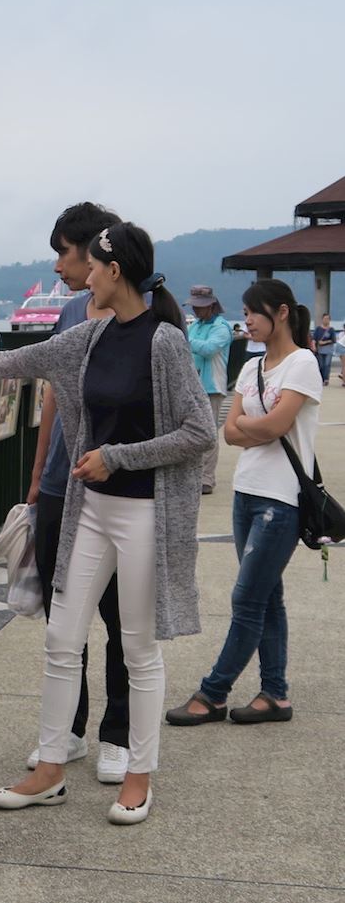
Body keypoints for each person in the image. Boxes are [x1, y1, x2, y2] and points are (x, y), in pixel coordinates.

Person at [0, 222, 214, 826]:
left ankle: (139, 776)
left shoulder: (165, 343)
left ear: (114, 271)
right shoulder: (91, 336)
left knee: (139, 649)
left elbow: (198, 431)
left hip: (144, 514)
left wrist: (116, 457)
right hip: (90, 511)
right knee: (61, 639)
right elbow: (14, 360)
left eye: (92, 267)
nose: (83, 276)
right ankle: (49, 769)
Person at [167, 280, 320, 727]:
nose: (247, 320)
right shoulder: (252, 366)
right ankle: (276, 695)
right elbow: (229, 431)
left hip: (281, 501)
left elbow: (272, 426)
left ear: (282, 313)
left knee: (247, 600)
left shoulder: (303, 363)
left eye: (255, 312)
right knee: (267, 597)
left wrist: (256, 427)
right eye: (246, 312)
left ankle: (213, 693)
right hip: (247, 492)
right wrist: (259, 427)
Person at [23, 202, 131, 785]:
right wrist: (40, 473)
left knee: (119, 615)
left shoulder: (144, 314)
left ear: (94, 252)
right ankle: (70, 728)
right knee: (62, 613)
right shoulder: (68, 313)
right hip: (63, 482)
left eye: (63, 252)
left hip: (118, 487)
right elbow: (52, 393)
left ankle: (118, 735)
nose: (58, 265)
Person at [187, 286, 234, 495]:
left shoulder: (221, 327)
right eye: (194, 307)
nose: (196, 310)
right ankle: (193, 475)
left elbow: (208, 349)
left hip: (212, 386)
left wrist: (184, 339)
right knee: (192, 432)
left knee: (209, 433)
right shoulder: (195, 326)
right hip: (192, 385)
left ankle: (206, 478)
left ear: (211, 306)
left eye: (200, 306)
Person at [311, 313, 337, 384]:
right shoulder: (318, 329)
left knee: (327, 364)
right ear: (322, 319)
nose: (326, 320)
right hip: (320, 350)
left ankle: (326, 379)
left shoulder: (331, 330)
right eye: (325, 319)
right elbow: (314, 339)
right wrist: (314, 346)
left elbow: (334, 340)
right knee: (321, 365)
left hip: (328, 350)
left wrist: (324, 342)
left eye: (328, 319)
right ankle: (321, 378)